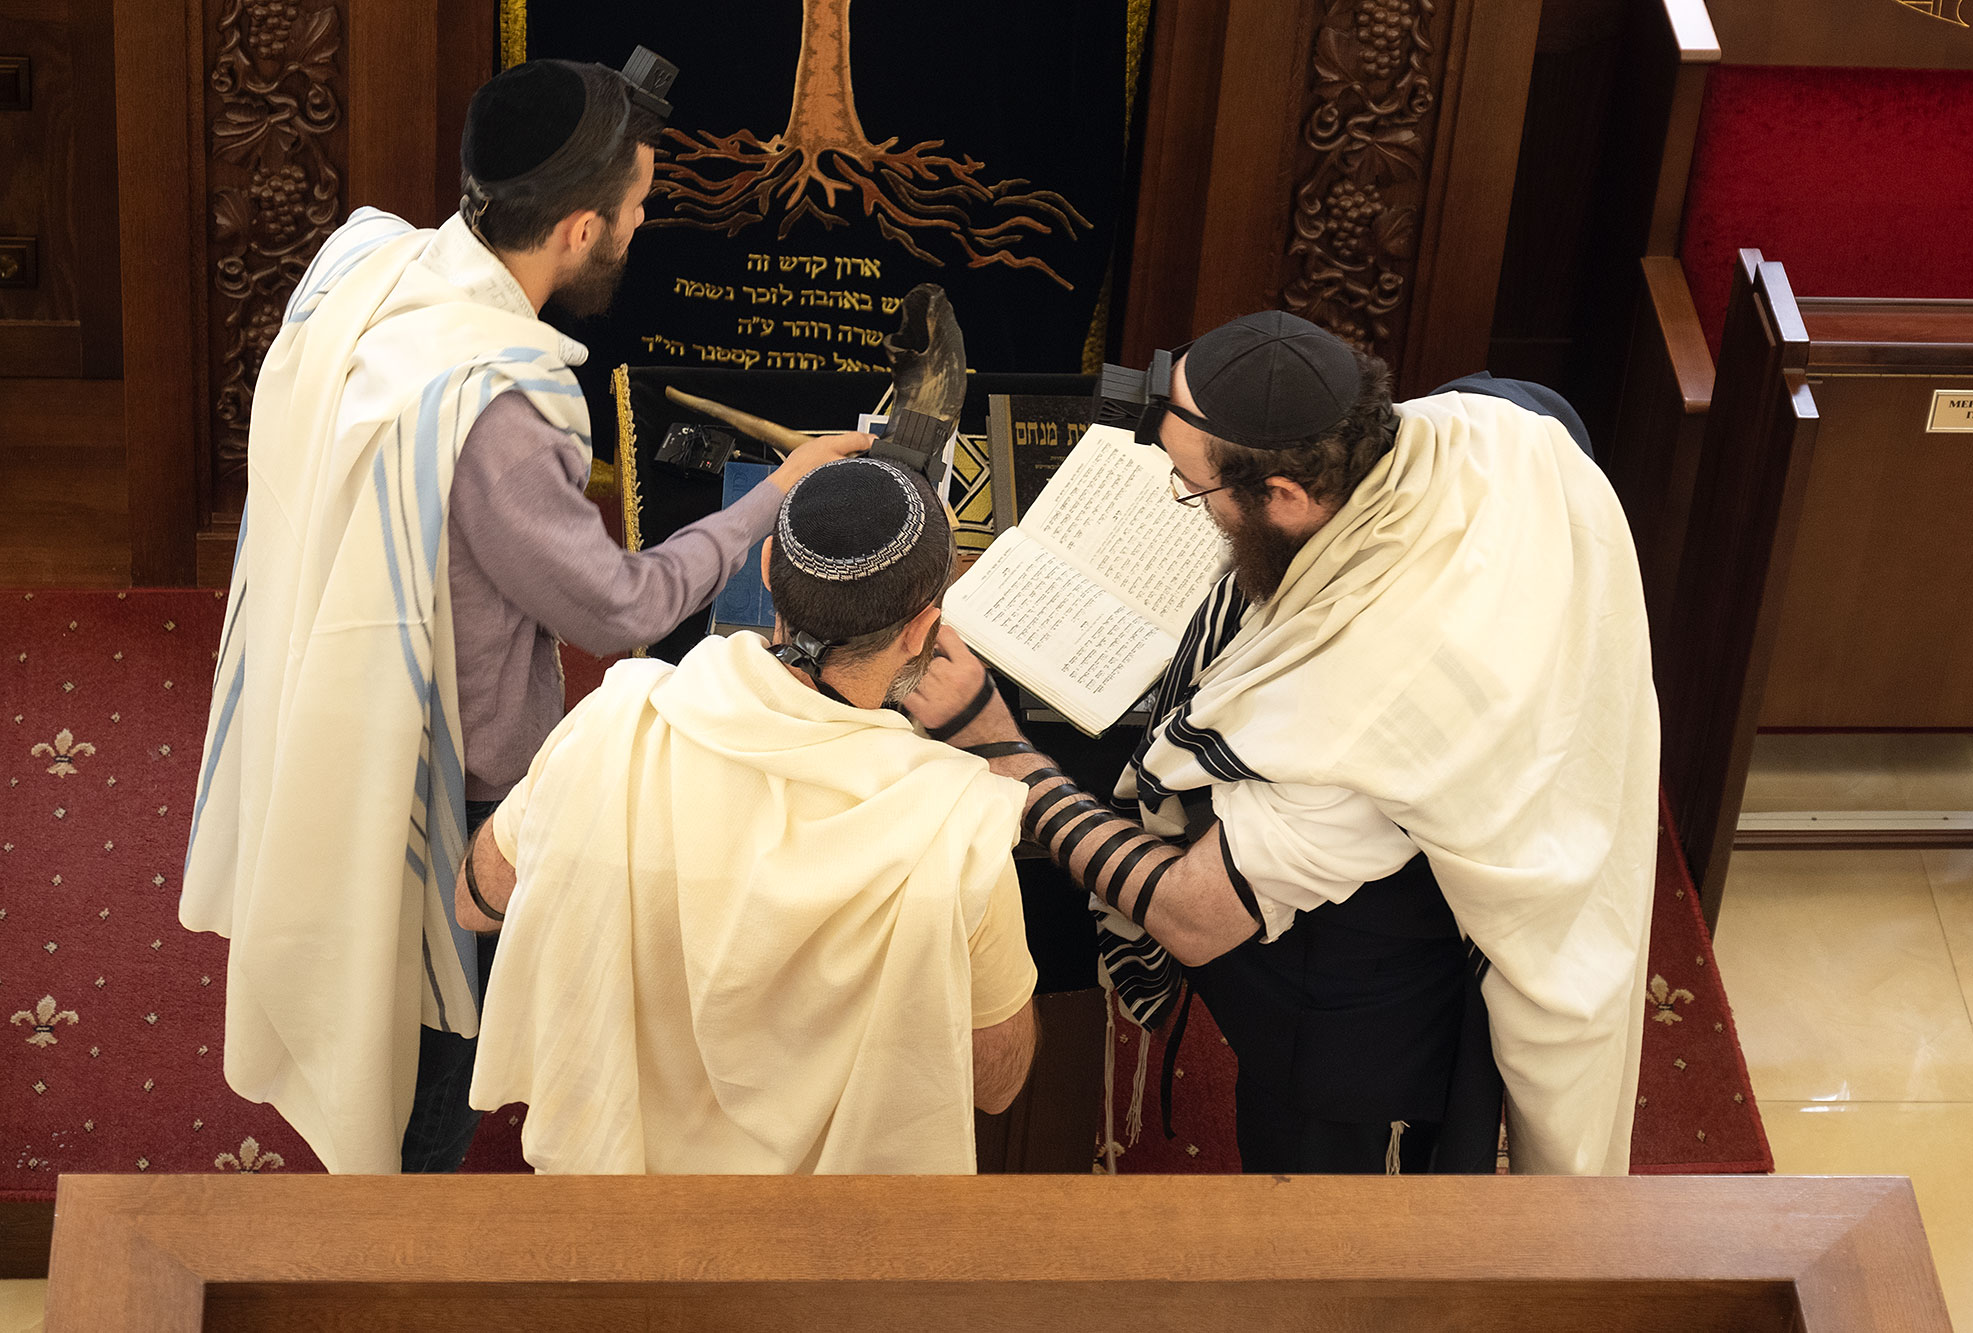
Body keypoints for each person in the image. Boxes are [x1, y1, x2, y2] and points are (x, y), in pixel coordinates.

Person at [180, 55, 865, 1176]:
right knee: (430, 1067)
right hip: (448, 779)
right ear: (580, 230)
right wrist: (777, 497)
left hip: (320, 681)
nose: (644, 226)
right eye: (638, 207)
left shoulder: (376, 261)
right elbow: (620, 607)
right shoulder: (494, 407)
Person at [905, 311, 1659, 1176]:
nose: (1190, 506)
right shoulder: (1506, 421)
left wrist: (1003, 746)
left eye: (1196, 492)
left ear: (1288, 498)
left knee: (1327, 1226)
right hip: (1496, 781)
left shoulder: (1360, 708)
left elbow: (1194, 914)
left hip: (1373, 1010)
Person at [458, 458, 1039, 1173]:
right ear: (922, 630)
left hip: (614, 1207)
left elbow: (476, 900)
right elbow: (997, 1084)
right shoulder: (962, 827)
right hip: (814, 1249)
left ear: (766, 569)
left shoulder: (616, 721)